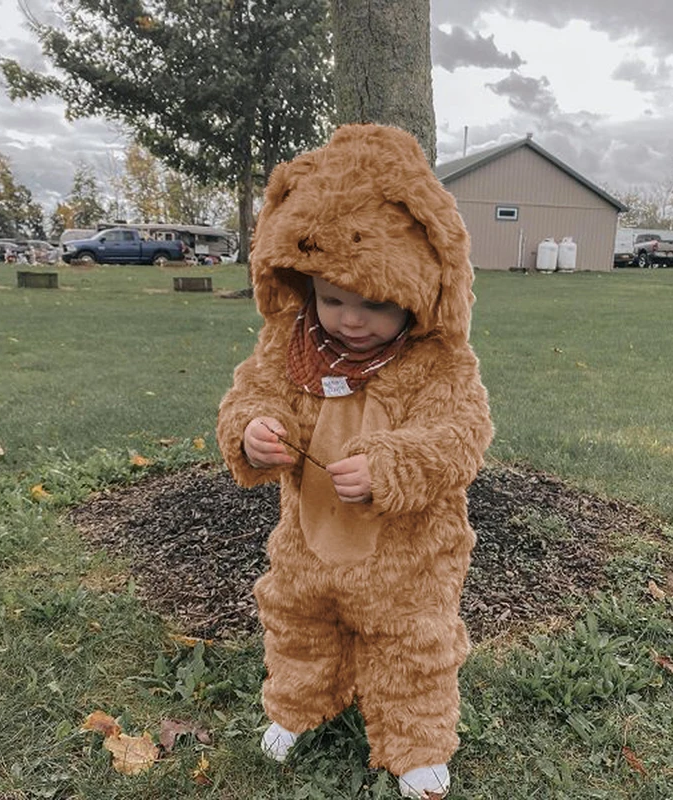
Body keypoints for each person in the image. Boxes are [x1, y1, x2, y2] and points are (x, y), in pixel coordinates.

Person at [217, 123, 493, 799]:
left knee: (410, 646)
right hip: (309, 543)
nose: (351, 320)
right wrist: (254, 431)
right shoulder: (291, 341)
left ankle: (416, 743)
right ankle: (302, 703)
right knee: (299, 623)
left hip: (407, 558)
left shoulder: (438, 362)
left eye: (374, 305)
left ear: (419, 292)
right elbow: (251, 395)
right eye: (333, 299)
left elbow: (462, 435)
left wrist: (393, 465)